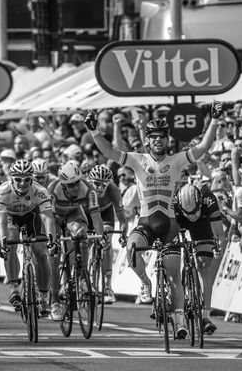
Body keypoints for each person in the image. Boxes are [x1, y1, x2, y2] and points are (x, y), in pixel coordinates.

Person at [85, 102, 223, 339]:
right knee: (132, 249)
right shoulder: (137, 160)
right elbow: (109, 152)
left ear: (168, 140)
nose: (158, 140)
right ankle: (146, 283)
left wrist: (214, 120)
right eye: (153, 137)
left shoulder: (177, 160)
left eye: (162, 137)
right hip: (146, 222)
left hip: (170, 224)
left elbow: (203, 147)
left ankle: (179, 322)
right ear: (147, 140)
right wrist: (94, 130)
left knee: (174, 274)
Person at [0, 159, 57, 319]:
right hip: (11, 218)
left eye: (27, 179)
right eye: (18, 179)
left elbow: (48, 218)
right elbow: (1, 223)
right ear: (11, 178)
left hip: (32, 216)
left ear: (32, 178)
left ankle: (44, 297)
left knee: (41, 253)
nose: (22, 183)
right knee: (11, 242)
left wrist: (53, 241)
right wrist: (3, 243)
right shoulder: (2, 192)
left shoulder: (40, 191)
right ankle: (14, 287)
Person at [48, 162, 105, 321]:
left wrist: (101, 237)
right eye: (71, 185)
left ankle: (82, 278)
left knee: (81, 234)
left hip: (73, 214)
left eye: (77, 182)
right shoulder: (53, 190)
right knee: (54, 255)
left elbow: (95, 215)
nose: (75, 187)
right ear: (63, 185)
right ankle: (54, 301)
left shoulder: (88, 189)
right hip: (54, 217)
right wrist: (53, 241)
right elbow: (49, 219)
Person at [173, 183, 226, 335]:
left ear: (200, 201)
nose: (192, 216)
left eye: (194, 211)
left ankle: (206, 316)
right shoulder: (174, 203)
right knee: (172, 259)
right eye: (189, 213)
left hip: (202, 224)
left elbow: (220, 235)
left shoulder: (209, 200)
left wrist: (217, 249)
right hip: (179, 221)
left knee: (204, 265)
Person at [88, 164, 128, 304]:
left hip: (105, 213)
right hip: (86, 214)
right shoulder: (84, 188)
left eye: (104, 185)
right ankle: (82, 278)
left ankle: (107, 286)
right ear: (90, 181)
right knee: (83, 241)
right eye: (96, 184)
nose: (100, 188)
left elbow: (123, 219)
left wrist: (123, 234)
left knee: (107, 241)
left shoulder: (114, 190)